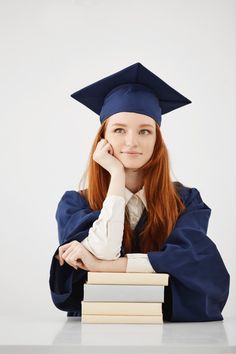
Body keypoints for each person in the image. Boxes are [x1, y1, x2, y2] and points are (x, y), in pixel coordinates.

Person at [49, 62, 230, 322]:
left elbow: (197, 266)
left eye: (144, 131)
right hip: (94, 333)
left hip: (171, 335)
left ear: (157, 140)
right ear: (103, 138)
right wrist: (116, 175)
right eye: (119, 130)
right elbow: (102, 250)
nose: (132, 142)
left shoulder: (186, 202)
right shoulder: (75, 204)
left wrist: (103, 268)